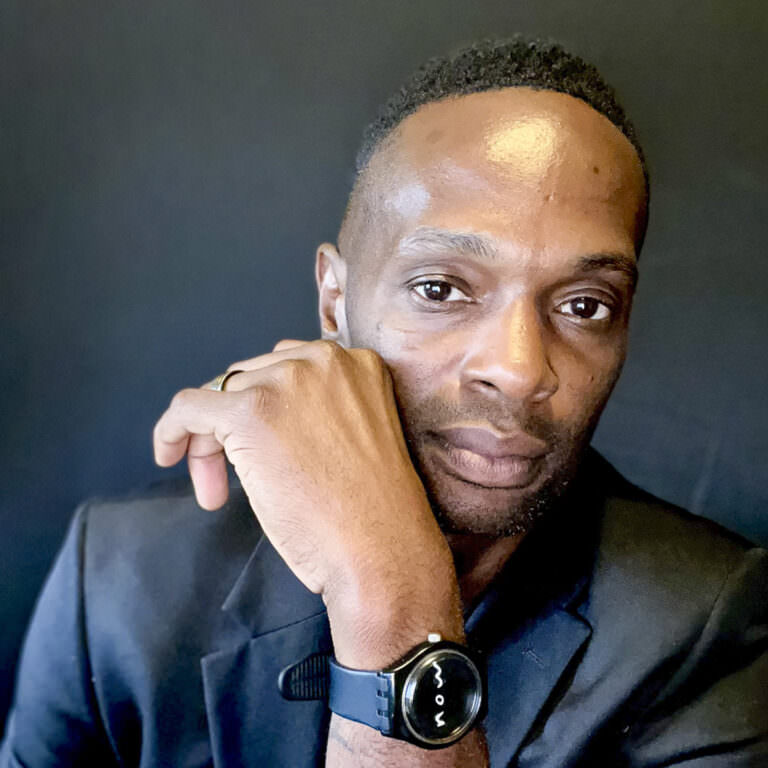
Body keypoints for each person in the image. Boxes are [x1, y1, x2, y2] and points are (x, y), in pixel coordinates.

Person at [2, 38, 767, 768]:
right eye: (441, 288)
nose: (519, 369)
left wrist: (394, 596)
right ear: (334, 302)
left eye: (586, 305)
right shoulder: (122, 581)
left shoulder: (705, 624)